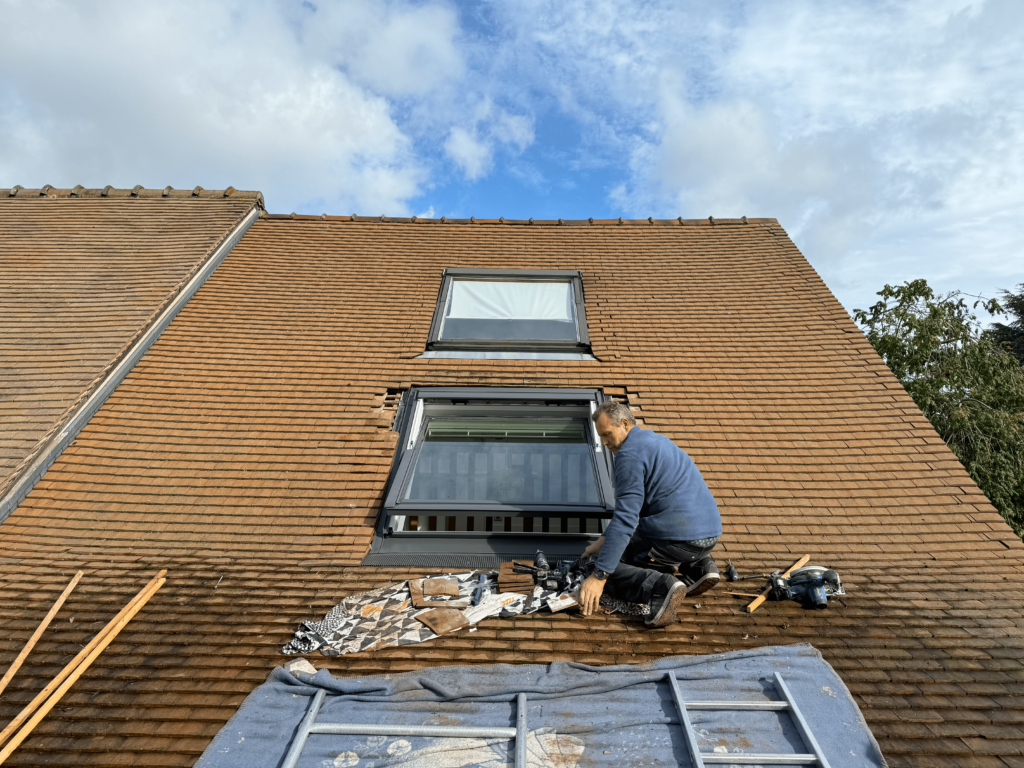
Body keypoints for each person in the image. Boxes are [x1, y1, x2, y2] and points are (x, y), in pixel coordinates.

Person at [578, 401, 722, 627]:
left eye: (607, 434)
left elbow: (626, 520)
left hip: (677, 538)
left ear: (624, 424)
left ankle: (660, 587)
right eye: (601, 437)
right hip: (709, 536)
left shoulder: (628, 456)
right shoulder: (658, 441)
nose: (605, 443)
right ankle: (701, 568)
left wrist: (599, 576)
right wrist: (602, 540)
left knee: (608, 564)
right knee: (613, 549)